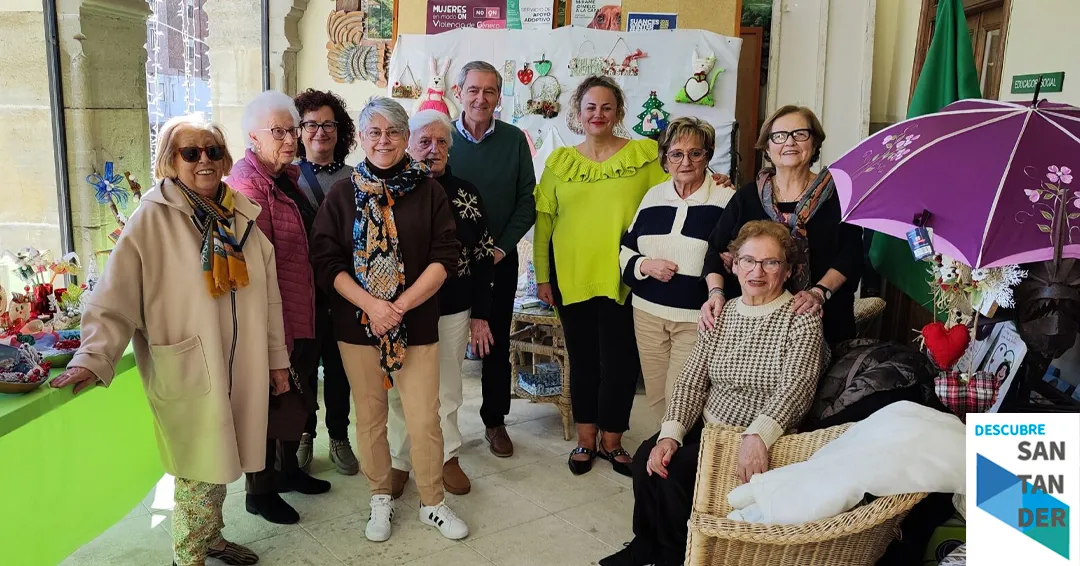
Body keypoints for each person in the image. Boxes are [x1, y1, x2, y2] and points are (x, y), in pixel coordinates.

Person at [51, 114, 286, 566]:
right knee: (198, 467)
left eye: (212, 151)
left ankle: (211, 539)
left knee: (221, 459)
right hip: (189, 365)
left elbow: (270, 296)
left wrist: (276, 361)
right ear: (170, 161)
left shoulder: (241, 216)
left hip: (242, 362)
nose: (204, 161)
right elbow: (113, 297)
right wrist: (93, 355)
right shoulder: (152, 220)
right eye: (190, 153)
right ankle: (187, 557)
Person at [601, 220, 827, 566]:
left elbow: (797, 387)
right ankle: (645, 543)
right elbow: (691, 380)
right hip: (710, 423)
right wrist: (671, 433)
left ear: (787, 270)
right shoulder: (722, 313)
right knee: (649, 455)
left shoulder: (801, 317)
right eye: (748, 261)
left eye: (770, 262)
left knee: (676, 472)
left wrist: (758, 435)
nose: (757, 271)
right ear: (733, 266)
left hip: (758, 433)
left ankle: (677, 555)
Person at [309, 97, 469, 542]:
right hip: (357, 328)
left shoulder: (429, 192)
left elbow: (445, 256)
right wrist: (372, 306)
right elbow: (325, 261)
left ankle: (432, 503)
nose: (384, 140)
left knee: (424, 419)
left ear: (405, 138)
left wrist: (397, 307)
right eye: (374, 132)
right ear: (361, 139)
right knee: (370, 418)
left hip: (416, 325)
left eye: (394, 132)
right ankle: (380, 497)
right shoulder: (342, 195)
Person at [534, 75, 668, 477]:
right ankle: (585, 439)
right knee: (584, 360)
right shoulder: (559, 163)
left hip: (626, 276)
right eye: (590, 107)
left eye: (607, 107)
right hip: (571, 275)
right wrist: (543, 277)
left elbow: (675, 192)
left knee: (621, 362)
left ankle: (613, 440)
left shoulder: (644, 156)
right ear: (578, 112)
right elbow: (544, 223)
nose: (598, 114)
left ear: (619, 112)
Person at [228, 90, 331, 525]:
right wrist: (277, 334)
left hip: (300, 308)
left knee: (296, 397)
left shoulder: (286, 177)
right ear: (253, 136)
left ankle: (288, 471)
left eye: (293, 129)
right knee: (268, 403)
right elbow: (258, 268)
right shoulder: (248, 184)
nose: (290, 139)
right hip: (272, 316)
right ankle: (260, 491)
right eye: (278, 132)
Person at [387, 110, 496, 498]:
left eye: (441, 142)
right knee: (400, 386)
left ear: (450, 149)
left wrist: (481, 313)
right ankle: (399, 459)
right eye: (424, 142)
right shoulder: (391, 190)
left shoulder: (466, 194)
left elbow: (483, 256)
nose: (433, 150)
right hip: (401, 308)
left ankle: (447, 455)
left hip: (453, 305)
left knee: (448, 386)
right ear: (408, 145)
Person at [700, 105, 862, 344]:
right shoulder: (747, 197)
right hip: (751, 326)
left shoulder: (840, 195)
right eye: (779, 136)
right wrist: (716, 293)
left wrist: (819, 292)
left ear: (814, 142)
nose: (790, 142)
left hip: (823, 319)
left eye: (800, 134)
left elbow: (851, 255)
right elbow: (715, 250)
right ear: (767, 146)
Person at [619, 117, 735, 425]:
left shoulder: (726, 198)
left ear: (707, 156)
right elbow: (626, 248)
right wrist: (644, 265)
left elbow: (740, 255)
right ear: (665, 158)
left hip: (696, 318)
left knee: (682, 395)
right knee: (657, 395)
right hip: (647, 313)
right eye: (676, 154)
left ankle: (679, 449)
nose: (686, 162)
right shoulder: (653, 196)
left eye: (695, 153)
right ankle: (666, 448)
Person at [447, 60, 536, 458]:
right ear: (458, 92)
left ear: (499, 96)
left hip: (499, 260)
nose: (481, 98)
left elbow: (526, 201)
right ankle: (440, 425)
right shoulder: (442, 137)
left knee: (495, 343)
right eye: (473, 89)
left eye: (489, 91)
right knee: (444, 344)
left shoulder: (514, 140)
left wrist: (500, 249)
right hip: (446, 266)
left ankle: (495, 420)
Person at [292, 88, 360, 476]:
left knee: (340, 367)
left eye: (328, 124)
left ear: (340, 130)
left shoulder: (356, 178)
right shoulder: (286, 178)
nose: (320, 132)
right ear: (299, 130)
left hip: (343, 289)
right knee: (302, 367)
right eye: (311, 124)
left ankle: (339, 435)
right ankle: (304, 433)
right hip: (301, 291)